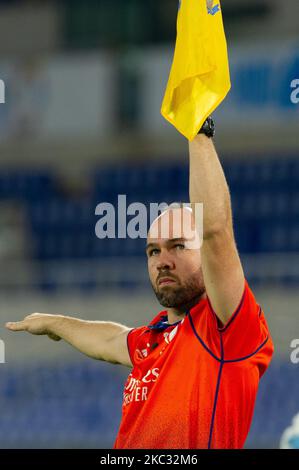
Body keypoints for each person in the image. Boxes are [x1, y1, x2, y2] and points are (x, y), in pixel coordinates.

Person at [6, 121, 274, 448]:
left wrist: (198, 133)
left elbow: (215, 231)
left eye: (178, 246)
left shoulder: (227, 330)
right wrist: (55, 323)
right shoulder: (154, 338)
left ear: (205, 254)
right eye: (153, 251)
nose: (162, 260)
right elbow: (110, 339)